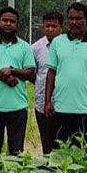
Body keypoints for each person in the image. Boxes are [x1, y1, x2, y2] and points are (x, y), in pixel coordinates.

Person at [44, 2, 87, 150]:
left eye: (78, 18)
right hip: (61, 109)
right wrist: (48, 101)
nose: (74, 22)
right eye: (71, 18)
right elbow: (51, 73)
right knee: (60, 155)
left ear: (86, 20)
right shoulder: (57, 42)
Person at [0, 7, 36, 156]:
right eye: (5, 20)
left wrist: (12, 70)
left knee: (16, 152)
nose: (8, 24)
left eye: (12, 21)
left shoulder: (24, 47)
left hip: (18, 108)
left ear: (17, 24)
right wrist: (4, 76)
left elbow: (30, 73)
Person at [32, 12, 64, 154]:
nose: (50, 29)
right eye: (47, 26)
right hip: (42, 104)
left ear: (61, 28)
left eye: (54, 26)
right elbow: (31, 73)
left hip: (64, 103)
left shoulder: (67, 46)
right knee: (47, 144)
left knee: (63, 143)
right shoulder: (35, 48)